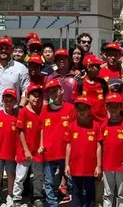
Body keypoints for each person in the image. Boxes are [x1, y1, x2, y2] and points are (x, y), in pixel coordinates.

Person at [40, 79, 75, 207]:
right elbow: (42, 129)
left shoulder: (70, 108)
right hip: (49, 152)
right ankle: (52, 203)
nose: (53, 94)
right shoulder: (45, 110)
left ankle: (74, 202)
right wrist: (41, 145)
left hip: (66, 152)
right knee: (49, 182)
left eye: (55, 90)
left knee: (71, 180)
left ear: (62, 90)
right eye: (50, 92)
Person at [64, 96, 102, 207]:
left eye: (84, 108)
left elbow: (99, 147)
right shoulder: (71, 126)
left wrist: (98, 166)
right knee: (76, 191)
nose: (81, 111)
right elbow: (68, 146)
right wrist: (66, 165)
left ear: (89, 110)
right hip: (75, 167)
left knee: (90, 191)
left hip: (90, 167)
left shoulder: (95, 126)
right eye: (79, 108)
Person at [14, 84, 45, 207]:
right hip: (25, 150)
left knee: (38, 175)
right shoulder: (23, 112)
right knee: (21, 176)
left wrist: (41, 145)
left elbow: (42, 129)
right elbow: (20, 131)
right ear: (27, 96)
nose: (36, 99)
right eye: (34, 96)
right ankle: (16, 198)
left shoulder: (40, 111)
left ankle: (37, 195)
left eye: (38, 96)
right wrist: (26, 150)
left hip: (37, 150)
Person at [101, 93, 123, 207]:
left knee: (122, 193)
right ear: (106, 107)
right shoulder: (103, 125)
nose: (113, 109)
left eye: (116, 106)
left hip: (122, 165)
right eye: (110, 106)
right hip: (107, 165)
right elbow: (100, 147)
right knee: (108, 193)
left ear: (121, 107)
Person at [0, 88, 19, 207]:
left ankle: (10, 195)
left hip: (11, 152)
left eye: (11, 100)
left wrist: (18, 152)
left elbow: (19, 136)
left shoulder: (17, 116)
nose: (8, 103)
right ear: (2, 101)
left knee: (11, 173)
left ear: (15, 102)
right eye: (6, 100)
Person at [0, 36, 30, 106]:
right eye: (1, 48)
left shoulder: (21, 68)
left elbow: (26, 90)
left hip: (12, 112)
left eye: (7, 48)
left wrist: (20, 106)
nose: (3, 50)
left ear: (11, 49)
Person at [77, 55, 109, 123]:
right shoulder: (80, 84)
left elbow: (108, 103)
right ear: (89, 67)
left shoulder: (103, 83)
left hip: (102, 123)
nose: (100, 68)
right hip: (86, 124)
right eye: (97, 66)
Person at [101, 42, 123, 115]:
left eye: (115, 55)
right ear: (105, 55)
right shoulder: (101, 72)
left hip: (122, 109)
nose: (112, 57)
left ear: (119, 56)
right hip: (108, 109)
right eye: (110, 55)